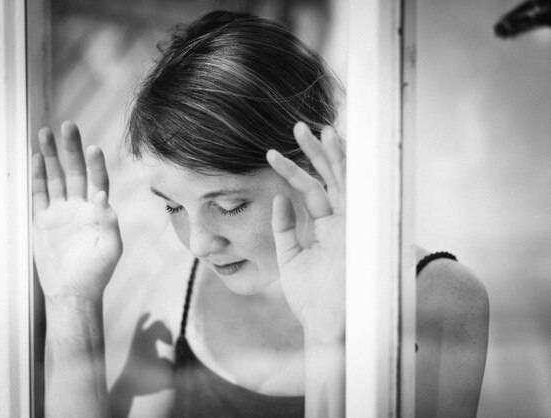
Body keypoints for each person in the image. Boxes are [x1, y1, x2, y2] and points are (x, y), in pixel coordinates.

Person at [32, 10, 489, 418]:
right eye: (172, 205)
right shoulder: (181, 285)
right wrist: (71, 303)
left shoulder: (436, 297)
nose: (198, 242)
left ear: (313, 164)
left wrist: (329, 340)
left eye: (229, 205)